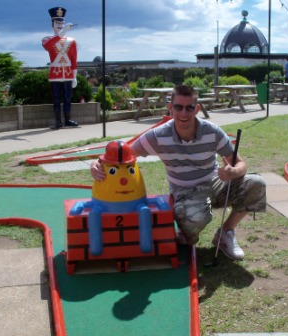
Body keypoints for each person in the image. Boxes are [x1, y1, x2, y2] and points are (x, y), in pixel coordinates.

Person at [90, 85, 267, 260]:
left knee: (257, 184)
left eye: (189, 107)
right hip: (184, 192)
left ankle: (226, 233)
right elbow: (123, 152)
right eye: (178, 107)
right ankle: (186, 235)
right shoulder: (158, 136)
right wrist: (97, 162)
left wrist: (234, 171)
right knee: (195, 221)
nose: (184, 113)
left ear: (197, 108)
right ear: (170, 108)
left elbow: (240, 163)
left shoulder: (212, 131)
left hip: (216, 184)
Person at [42, 7, 79, 130]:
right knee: (56, 99)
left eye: (62, 23)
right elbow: (48, 46)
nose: (60, 25)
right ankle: (58, 121)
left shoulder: (72, 41)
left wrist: (74, 76)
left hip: (68, 74)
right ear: (52, 24)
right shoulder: (47, 39)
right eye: (57, 23)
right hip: (55, 74)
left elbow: (74, 59)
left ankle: (67, 120)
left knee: (68, 99)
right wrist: (63, 32)